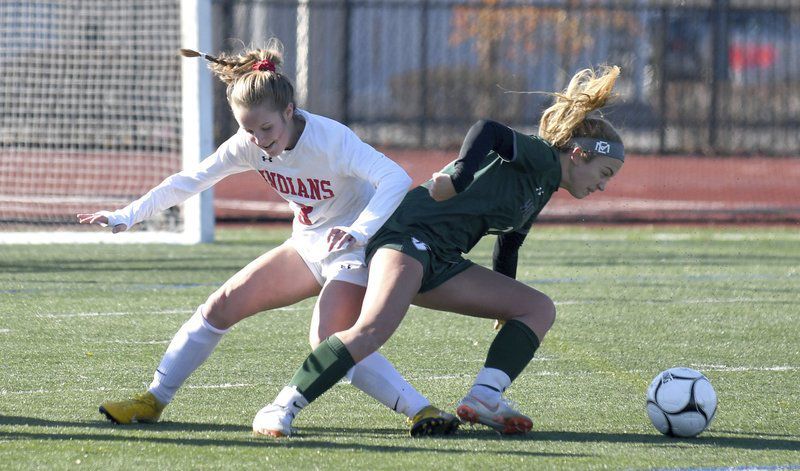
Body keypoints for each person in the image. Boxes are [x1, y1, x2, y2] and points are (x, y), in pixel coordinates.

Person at [77, 39, 459, 437]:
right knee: (220, 306)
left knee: (327, 338)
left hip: (356, 248)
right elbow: (189, 181)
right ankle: (152, 400)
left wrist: (358, 229)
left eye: (266, 128)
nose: (259, 139)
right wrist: (126, 215)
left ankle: (422, 410)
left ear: (289, 111)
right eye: (248, 129)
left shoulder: (331, 139)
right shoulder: (248, 144)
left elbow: (395, 177)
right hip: (309, 244)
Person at [253, 65, 626, 435]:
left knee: (538, 307)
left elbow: (510, 242)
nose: (603, 186)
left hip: (442, 258)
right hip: (409, 237)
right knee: (370, 331)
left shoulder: (544, 185)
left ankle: (485, 397)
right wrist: (459, 177)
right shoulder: (542, 156)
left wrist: (503, 300)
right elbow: (488, 130)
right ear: (577, 153)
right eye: (605, 173)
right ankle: (281, 407)